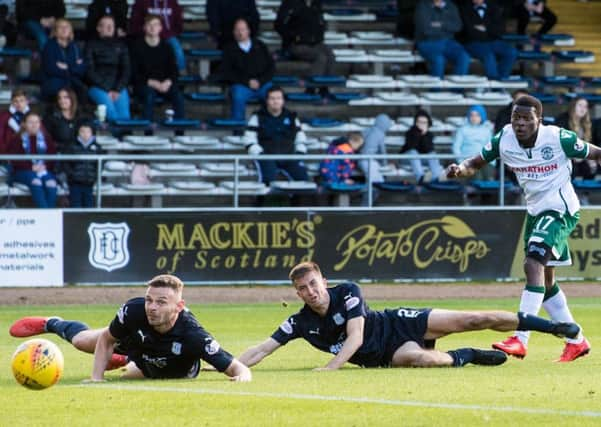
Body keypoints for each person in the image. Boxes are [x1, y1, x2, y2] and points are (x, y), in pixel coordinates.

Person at [446, 94, 600, 361]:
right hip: (535, 211)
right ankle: (576, 340)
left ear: (538, 120)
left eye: (526, 118)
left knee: (532, 264)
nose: (519, 123)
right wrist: (460, 169)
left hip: (560, 209)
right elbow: (476, 162)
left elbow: (596, 153)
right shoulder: (504, 138)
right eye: (516, 117)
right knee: (546, 281)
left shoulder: (558, 138)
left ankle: (520, 337)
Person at [238, 262, 581, 370]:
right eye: (303, 289)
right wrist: (229, 364)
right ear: (297, 293)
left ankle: (552, 326)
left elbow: (355, 337)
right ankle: (470, 355)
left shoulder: (347, 291)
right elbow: (263, 349)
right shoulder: (300, 322)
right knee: (424, 360)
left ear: (323, 281)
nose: (310, 291)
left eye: (313, 284)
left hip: (398, 323)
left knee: (473, 318)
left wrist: (329, 368)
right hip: (387, 354)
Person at [10, 274, 252, 382]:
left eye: (161, 302)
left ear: (179, 306)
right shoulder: (134, 311)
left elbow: (239, 369)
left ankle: (122, 358)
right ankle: (52, 322)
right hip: (138, 341)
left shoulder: (194, 335)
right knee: (83, 342)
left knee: (129, 374)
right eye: (149, 299)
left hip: (165, 368)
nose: (152, 307)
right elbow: (106, 338)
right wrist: (97, 378)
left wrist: (242, 378)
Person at [244, 86, 309, 185]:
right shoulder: (257, 117)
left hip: (289, 157)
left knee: (303, 178)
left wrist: (299, 154)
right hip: (266, 157)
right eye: (272, 98)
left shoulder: (291, 117)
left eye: (278, 98)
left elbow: (301, 138)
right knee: (267, 180)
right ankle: (262, 200)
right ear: (267, 101)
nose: (276, 101)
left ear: (283, 100)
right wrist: (260, 154)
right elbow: (249, 140)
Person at [130, 14, 184, 122]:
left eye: (156, 25)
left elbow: (174, 70)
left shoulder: (167, 47)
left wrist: (167, 82)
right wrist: (152, 83)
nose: (152, 28)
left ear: (160, 28)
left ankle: (180, 131)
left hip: (164, 84)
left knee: (178, 96)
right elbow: (134, 73)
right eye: (149, 25)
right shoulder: (136, 47)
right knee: (149, 96)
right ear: (144, 27)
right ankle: (148, 132)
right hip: (145, 84)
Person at [274, 0, 335, 96]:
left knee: (330, 55)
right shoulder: (290, 3)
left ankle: (324, 87)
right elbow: (278, 25)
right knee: (320, 57)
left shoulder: (316, 4)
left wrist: (319, 36)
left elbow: (320, 23)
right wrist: (293, 36)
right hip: (296, 44)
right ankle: (311, 88)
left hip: (315, 43)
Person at [219, 18, 274, 121]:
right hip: (241, 85)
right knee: (238, 96)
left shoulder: (260, 46)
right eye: (237, 30)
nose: (240, 33)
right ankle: (238, 131)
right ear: (233, 32)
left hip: (262, 84)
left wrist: (260, 81)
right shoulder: (229, 49)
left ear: (248, 31)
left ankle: (270, 125)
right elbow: (227, 72)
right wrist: (247, 82)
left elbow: (271, 67)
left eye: (243, 29)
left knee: (274, 95)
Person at [6, 112, 58, 208]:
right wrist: (31, 167)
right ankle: (45, 215)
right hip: (21, 171)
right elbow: (14, 160)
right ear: (24, 124)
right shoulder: (16, 139)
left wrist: (45, 166)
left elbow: (52, 157)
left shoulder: (46, 138)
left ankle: (49, 216)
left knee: (51, 183)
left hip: (43, 170)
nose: (34, 125)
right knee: (36, 181)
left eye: (37, 122)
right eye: (30, 122)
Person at [85, 15, 131, 122]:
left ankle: (123, 138)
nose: (110, 28)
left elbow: (126, 70)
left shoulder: (121, 45)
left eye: (112, 26)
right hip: (97, 87)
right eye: (106, 26)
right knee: (113, 116)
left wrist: (117, 89)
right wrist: (107, 89)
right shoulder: (91, 45)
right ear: (99, 28)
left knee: (125, 118)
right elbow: (89, 71)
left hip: (118, 87)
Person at [459, 0, 517, 80]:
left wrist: (485, 28)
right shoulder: (464, 8)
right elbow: (468, 31)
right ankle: (493, 84)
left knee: (511, 52)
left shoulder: (493, 7)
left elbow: (500, 30)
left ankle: (501, 80)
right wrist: (489, 30)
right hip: (473, 43)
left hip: (493, 41)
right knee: (488, 55)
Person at [414, 0, 470, 79]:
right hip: (427, 42)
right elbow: (426, 30)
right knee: (439, 60)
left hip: (448, 42)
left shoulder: (451, 5)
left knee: (464, 56)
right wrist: (447, 28)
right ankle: (436, 90)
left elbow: (458, 26)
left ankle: (456, 90)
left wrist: (441, 24)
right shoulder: (423, 6)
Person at [130, 0, 186, 72]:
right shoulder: (141, 2)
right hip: (147, 36)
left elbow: (179, 25)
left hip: (168, 36)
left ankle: (178, 74)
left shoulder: (173, 3)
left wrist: (169, 33)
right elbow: (134, 25)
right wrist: (148, 32)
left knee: (178, 52)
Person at [40, 18, 87, 102]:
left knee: (83, 90)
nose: (64, 29)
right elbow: (51, 69)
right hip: (54, 81)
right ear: (55, 31)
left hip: (72, 80)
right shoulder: (49, 46)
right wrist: (73, 66)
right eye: (60, 27)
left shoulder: (75, 46)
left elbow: (82, 68)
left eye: (67, 27)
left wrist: (66, 67)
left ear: (71, 30)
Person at [555, 97, 598, 180]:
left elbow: (590, 144)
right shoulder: (563, 120)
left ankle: (586, 191)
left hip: (581, 157)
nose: (583, 109)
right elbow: (559, 142)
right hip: (565, 156)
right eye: (580, 105)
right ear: (573, 106)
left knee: (591, 167)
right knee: (573, 168)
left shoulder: (587, 123)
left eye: (585, 106)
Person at [62, 122, 104, 208]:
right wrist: (71, 175)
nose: (85, 134)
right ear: (78, 132)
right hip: (75, 183)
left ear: (92, 133)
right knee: (75, 206)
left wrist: (94, 176)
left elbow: (100, 164)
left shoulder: (97, 147)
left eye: (88, 131)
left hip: (89, 183)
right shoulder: (71, 146)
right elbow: (65, 163)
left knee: (89, 206)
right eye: (82, 131)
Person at [401, 109, 444, 184]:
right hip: (407, 158)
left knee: (432, 154)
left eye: (424, 122)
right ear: (415, 123)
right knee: (413, 152)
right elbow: (411, 146)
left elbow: (429, 149)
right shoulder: (410, 133)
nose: (421, 124)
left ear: (428, 124)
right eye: (419, 122)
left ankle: (436, 178)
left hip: (422, 159)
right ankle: (420, 178)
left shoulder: (429, 135)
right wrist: (418, 134)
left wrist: (424, 135)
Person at [452, 105, 494, 180]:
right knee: (477, 176)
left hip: (483, 160)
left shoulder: (487, 131)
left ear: (482, 117)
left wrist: (492, 163)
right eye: (472, 115)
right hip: (467, 160)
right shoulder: (462, 130)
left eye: (477, 115)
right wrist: (461, 162)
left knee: (489, 176)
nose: (474, 118)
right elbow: (456, 147)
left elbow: (491, 148)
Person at [44, 88, 86, 154]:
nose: (62, 100)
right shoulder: (51, 118)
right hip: (59, 154)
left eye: (65, 97)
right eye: (59, 98)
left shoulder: (81, 116)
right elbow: (47, 139)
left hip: (79, 153)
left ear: (72, 99)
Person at [358, 114, 392, 186]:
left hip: (359, 159)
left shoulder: (366, 130)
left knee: (371, 180)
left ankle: (368, 194)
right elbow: (382, 152)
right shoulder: (381, 134)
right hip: (369, 161)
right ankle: (370, 196)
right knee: (376, 182)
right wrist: (385, 164)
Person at [0, 90, 31, 154]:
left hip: (28, 152)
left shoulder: (32, 116)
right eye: (16, 101)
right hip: (8, 152)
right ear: (11, 102)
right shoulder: (4, 116)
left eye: (21, 100)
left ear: (27, 102)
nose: (19, 104)